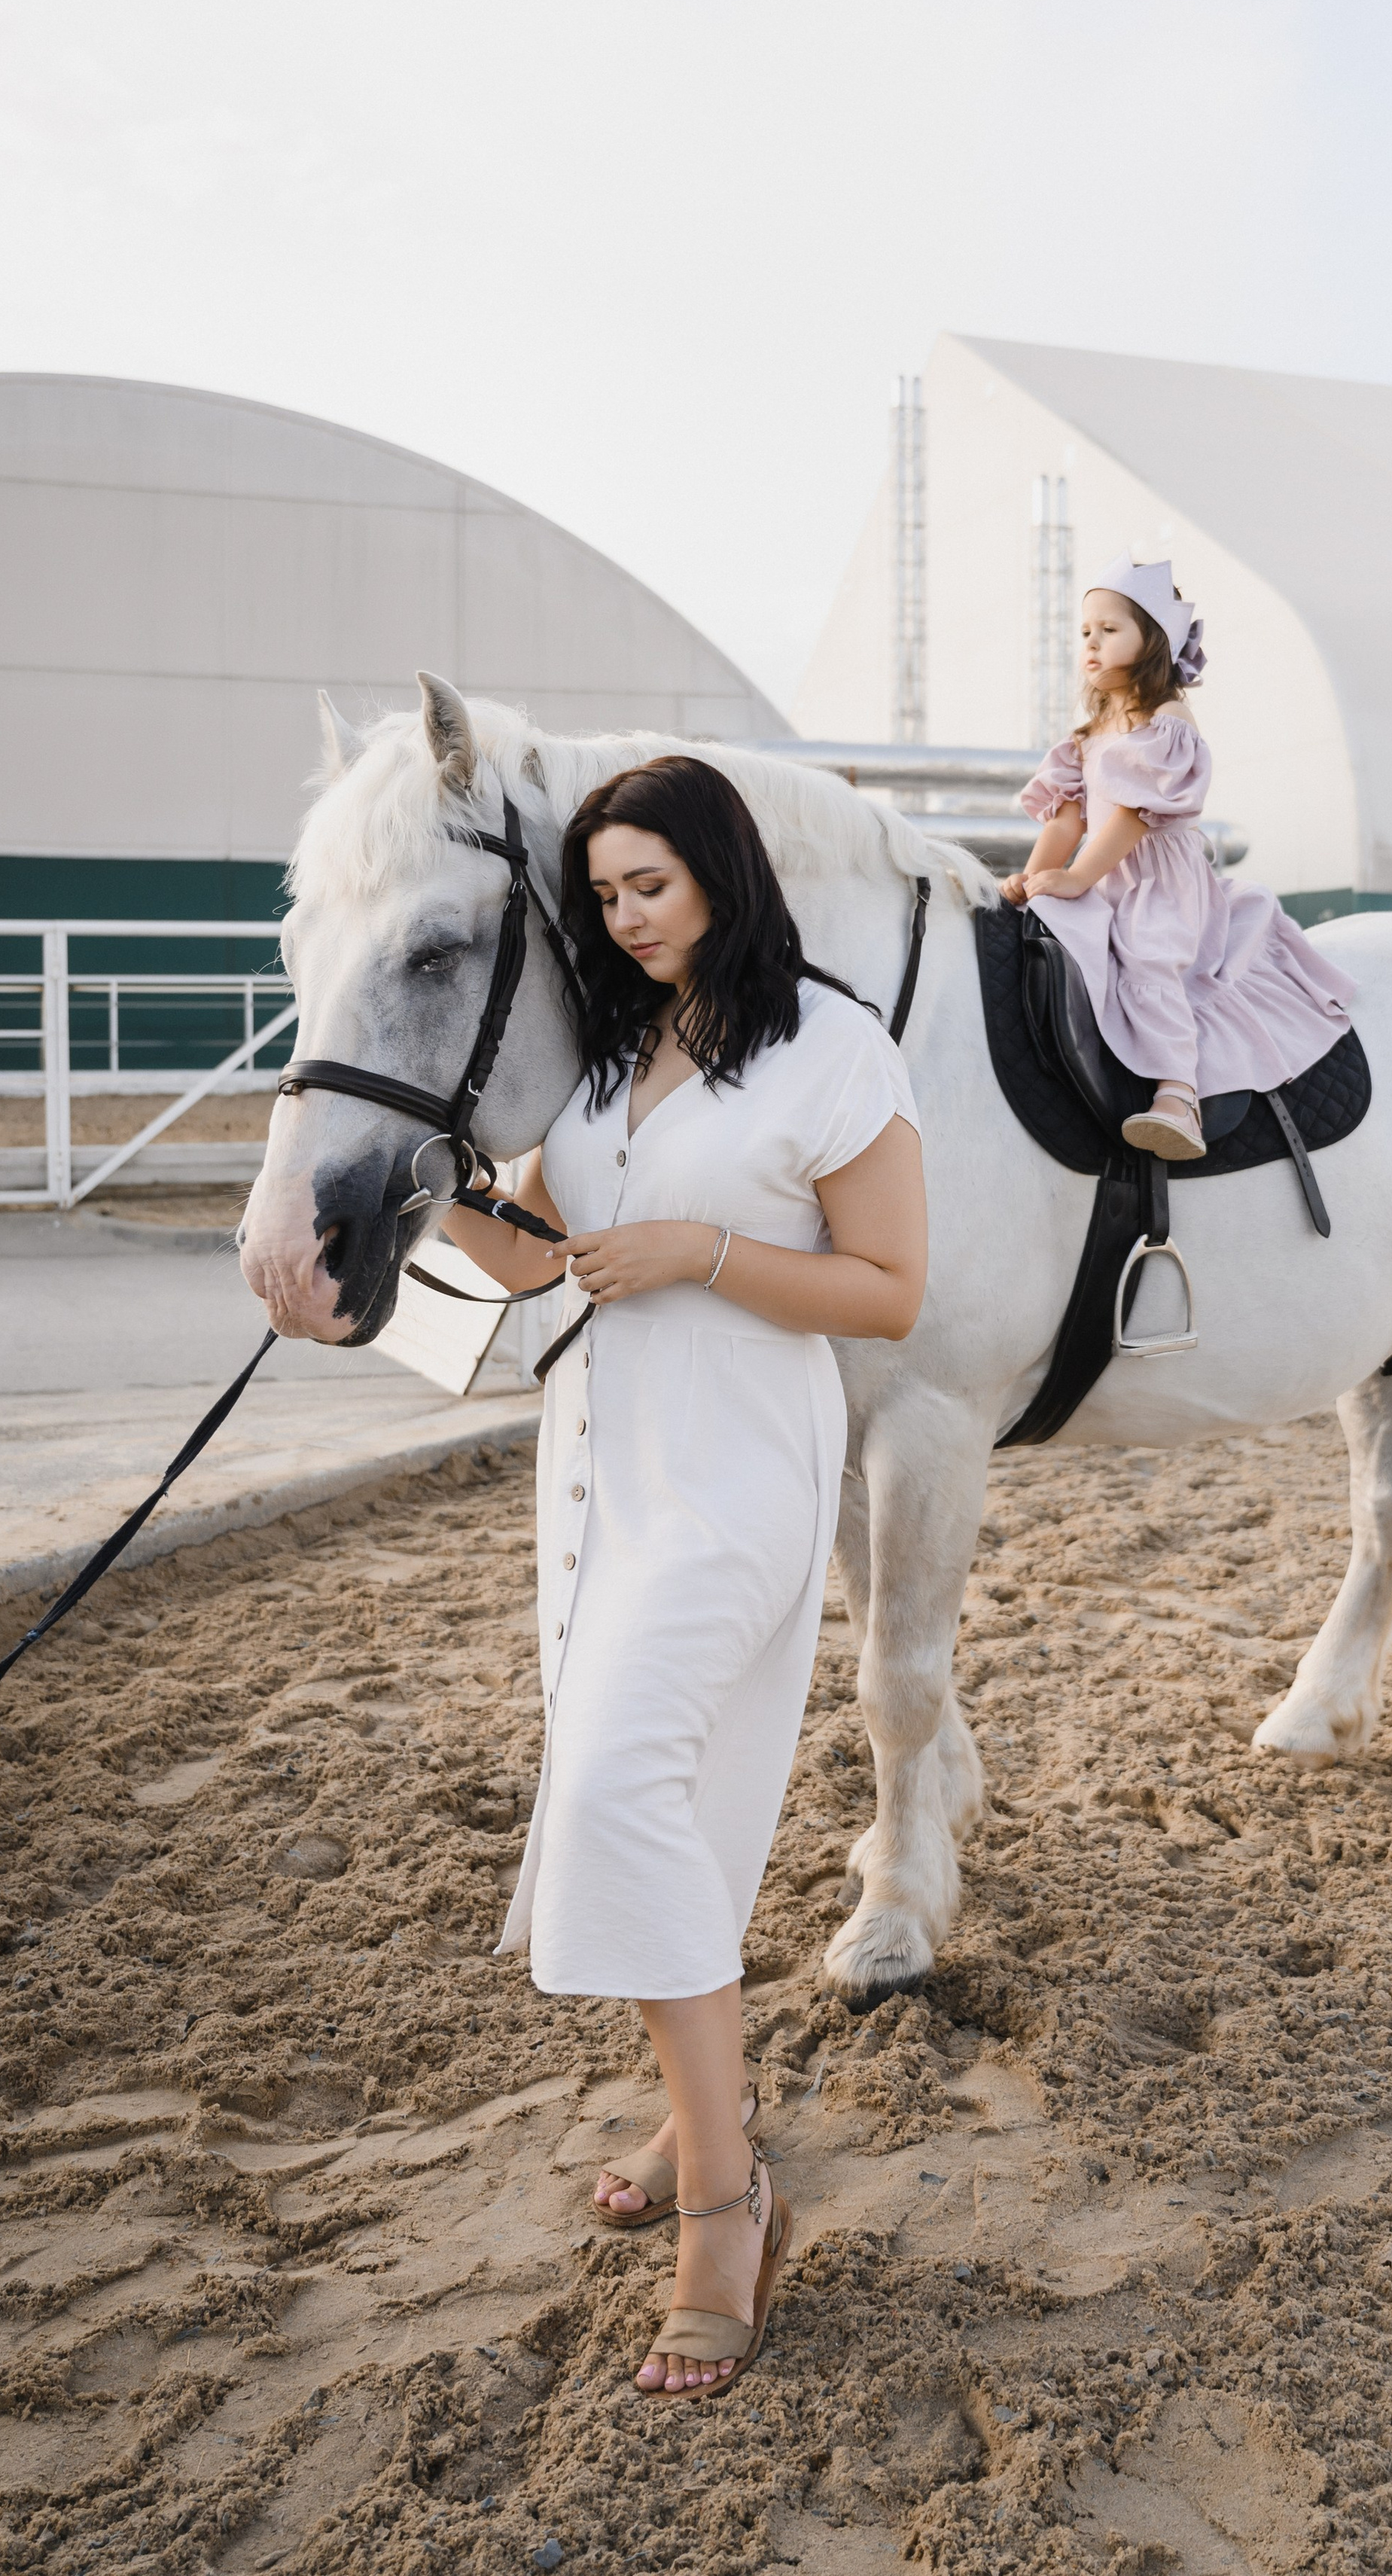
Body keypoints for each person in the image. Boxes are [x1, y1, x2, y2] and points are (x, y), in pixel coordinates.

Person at [443, 755, 926, 2401]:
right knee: (667, 1792)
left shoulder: (832, 1047)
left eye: (646, 883)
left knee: (613, 1794)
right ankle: (691, 2110)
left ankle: (728, 2201)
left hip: (734, 1473)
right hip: (598, 1475)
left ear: (719, 868)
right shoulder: (601, 1058)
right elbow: (535, 1254)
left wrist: (702, 1252)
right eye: (601, 894)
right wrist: (408, 1175)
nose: (621, 917)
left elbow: (888, 1293)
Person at [1002, 554, 1354, 1158]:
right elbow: (1068, 818)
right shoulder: (1087, 735)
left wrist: (1078, 875)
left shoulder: (1167, 720)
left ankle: (1179, 1095)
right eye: (1085, 631)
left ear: (1152, 641)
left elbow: (1135, 816)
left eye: (1110, 629)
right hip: (1108, 873)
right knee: (1051, 933)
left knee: (1151, 956)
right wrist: (1038, 877)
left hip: (1159, 878)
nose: (1092, 642)